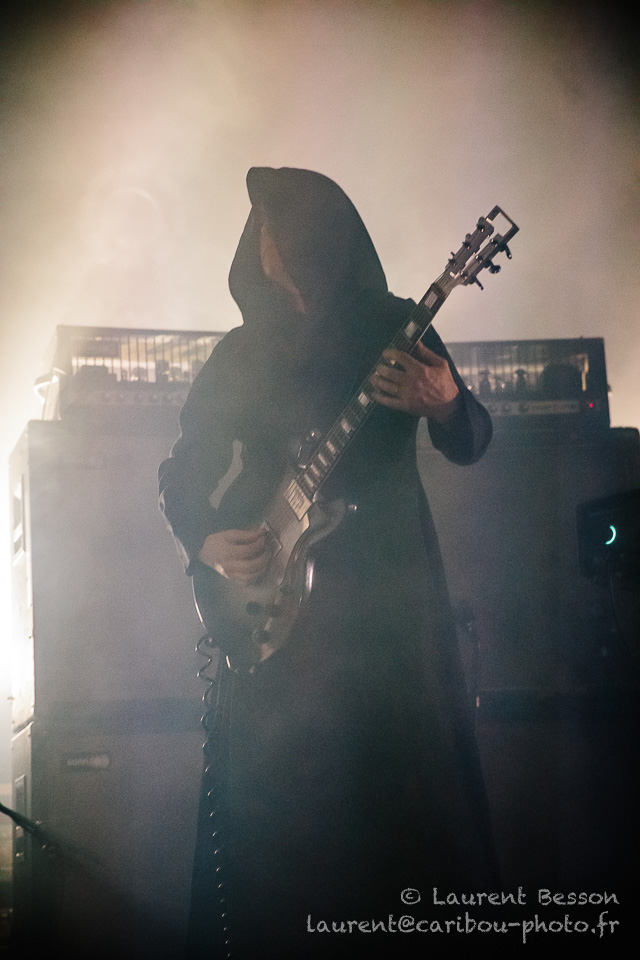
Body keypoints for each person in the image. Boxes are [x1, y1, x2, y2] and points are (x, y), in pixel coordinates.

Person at [159, 167, 498, 959]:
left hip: (387, 604)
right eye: (259, 229)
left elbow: (473, 439)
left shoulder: (398, 325)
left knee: (398, 803)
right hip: (275, 612)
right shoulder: (242, 352)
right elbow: (183, 467)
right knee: (280, 818)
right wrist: (203, 536)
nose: (265, 244)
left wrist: (447, 400)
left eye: (278, 226)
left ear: (322, 235)